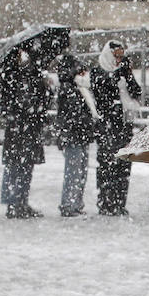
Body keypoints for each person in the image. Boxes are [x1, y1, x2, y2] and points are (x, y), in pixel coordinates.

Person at [0, 48, 51, 219]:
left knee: (22, 166)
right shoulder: (15, 76)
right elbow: (13, 105)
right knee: (18, 166)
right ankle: (16, 202)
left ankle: (18, 201)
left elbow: (41, 102)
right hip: (22, 129)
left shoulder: (27, 76)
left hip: (24, 129)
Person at [90, 39, 142, 216]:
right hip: (107, 126)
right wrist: (114, 78)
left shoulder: (124, 71)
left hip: (124, 125)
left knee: (123, 165)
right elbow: (101, 97)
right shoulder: (98, 71)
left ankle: (120, 202)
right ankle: (106, 201)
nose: (119, 59)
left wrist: (127, 75)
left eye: (122, 56)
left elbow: (136, 92)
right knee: (106, 165)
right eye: (116, 56)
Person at [52, 54, 99, 218]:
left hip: (78, 135)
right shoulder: (70, 89)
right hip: (74, 135)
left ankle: (75, 203)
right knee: (74, 172)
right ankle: (69, 204)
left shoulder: (78, 89)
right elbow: (73, 115)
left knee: (79, 171)